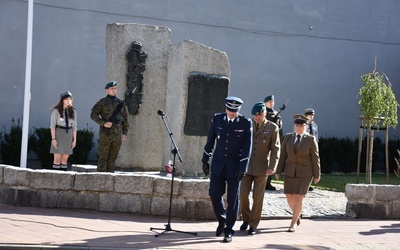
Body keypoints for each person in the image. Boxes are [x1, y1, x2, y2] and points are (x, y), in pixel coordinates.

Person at [202, 96, 252, 243]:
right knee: (214, 194)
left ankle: (229, 230)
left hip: (235, 167)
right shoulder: (217, 119)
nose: (231, 113)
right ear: (225, 108)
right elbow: (210, 141)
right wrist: (205, 159)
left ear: (239, 110)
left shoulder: (245, 123)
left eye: (234, 111)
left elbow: (246, 148)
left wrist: (243, 168)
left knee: (232, 200)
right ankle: (222, 220)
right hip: (218, 165)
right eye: (229, 110)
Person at [239, 102, 280, 235]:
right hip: (246, 166)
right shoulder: (247, 124)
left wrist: (272, 167)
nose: (257, 117)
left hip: (262, 168)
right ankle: (246, 219)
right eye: (255, 115)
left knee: (258, 198)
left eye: (260, 115)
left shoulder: (272, 127)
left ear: (265, 113)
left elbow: (275, 149)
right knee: (243, 195)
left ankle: (253, 224)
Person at [275, 114, 320, 232]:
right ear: (294, 126)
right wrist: (278, 170)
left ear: (305, 127)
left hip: (305, 173)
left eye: (301, 125)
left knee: (298, 197)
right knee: (289, 196)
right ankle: (297, 214)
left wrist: (317, 174)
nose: (299, 127)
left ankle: (293, 223)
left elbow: (315, 158)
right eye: (297, 125)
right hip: (290, 171)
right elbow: (283, 155)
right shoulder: (288, 137)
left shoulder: (310, 139)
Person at [90, 81, 129, 172]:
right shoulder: (102, 102)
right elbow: (93, 115)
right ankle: (101, 179)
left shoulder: (121, 104)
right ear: (106, 90)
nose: (114, 90)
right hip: (105, 134)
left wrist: (125, 134)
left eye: (115, 88)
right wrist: (103, 123)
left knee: (113, 158)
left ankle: (110, 178)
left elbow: (125, 120)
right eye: (111, 88)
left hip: (117, 134)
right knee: (103, 158)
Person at [50, 91, 77, 170]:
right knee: (57, 159)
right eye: (66, 99)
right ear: (62, 100)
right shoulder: (56, 110)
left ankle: (63, 180)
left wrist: (74, 140)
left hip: (68, 135)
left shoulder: (73, 111)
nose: (68, 100)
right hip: (59, 134)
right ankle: (55, 179)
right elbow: (52, 126)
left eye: (70, 99)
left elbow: (75, 127)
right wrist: (53, 139)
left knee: (65, 159)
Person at [264, 94, 283, 190]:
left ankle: (268, 182)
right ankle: (262, 181)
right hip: (264, 140)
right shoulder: (263, 113)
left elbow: (280, 128)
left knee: (272, 160)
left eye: (273, 102)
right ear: (265, 103)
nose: (272, 103)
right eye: (269, 102)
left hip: (274, 140)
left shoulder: (277, 114)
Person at [305, 108, 319, 191]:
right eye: (310, 115)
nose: (311, 116)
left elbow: (316, 137)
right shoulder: (303, 125)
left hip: (313, 147)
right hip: (305, 147)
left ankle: (308, 184)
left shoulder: (315, 125)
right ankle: (304, 183)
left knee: (311, 167)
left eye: (312, 115)